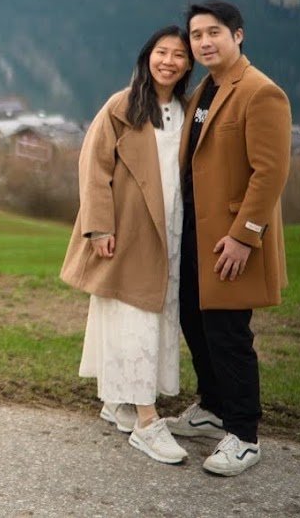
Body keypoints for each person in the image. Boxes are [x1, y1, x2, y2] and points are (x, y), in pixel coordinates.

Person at [167, 0, 290, 477]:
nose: (203, 42)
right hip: (197, 232)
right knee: (193, 320)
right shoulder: (206, 89)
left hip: (231, 239)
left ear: (238, 35)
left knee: (228, 333)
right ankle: (214, 407)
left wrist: (244, 237)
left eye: (214, 32)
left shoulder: (261, 93)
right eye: (197, 35)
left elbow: (271, 171)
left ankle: (244, 435)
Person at [61, 26, 193, 464]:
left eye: (179, 55)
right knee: (134, 316)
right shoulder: (123, 105)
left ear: (189, 64)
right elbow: (93, 164)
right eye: (161, 52)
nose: (169, 61)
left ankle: (118, 401)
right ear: (147, 56)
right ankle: (147, 422)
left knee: (152, 317)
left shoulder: (185, 109)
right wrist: (99, 226)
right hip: (130, 230)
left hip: (171, 232)